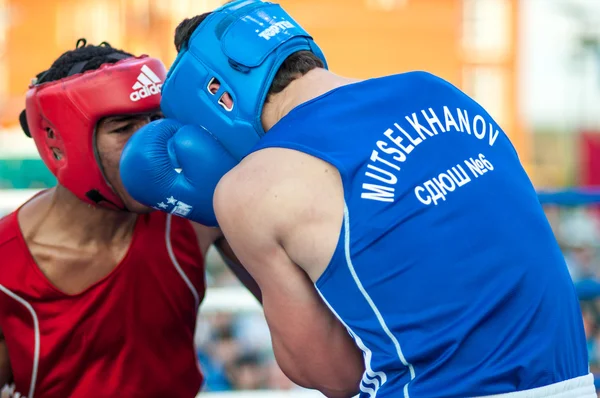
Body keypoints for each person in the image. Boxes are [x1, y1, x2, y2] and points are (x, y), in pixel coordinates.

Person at [119, 1, 593, 397]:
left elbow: (331, 375)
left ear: (216, 95)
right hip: (574, 384)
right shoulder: (437, 88)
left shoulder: (252, 186)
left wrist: (229, 212)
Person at [0, 39, 260, 398]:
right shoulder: (7, 265)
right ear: (61, 144)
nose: (151, 144)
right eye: (123, 129)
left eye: (156, 120)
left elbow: (313, 322)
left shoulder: (192, 216)